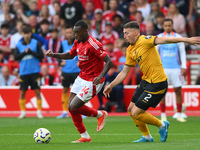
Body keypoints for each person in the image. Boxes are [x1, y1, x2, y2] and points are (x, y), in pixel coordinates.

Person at [103, 21, 200, 143]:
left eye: (127, 33)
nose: (125, 36)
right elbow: (124, 72)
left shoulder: (145, 40)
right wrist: (111, 85)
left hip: (158, 82)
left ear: (136, 33)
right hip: (146, 81)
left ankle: (162, 126)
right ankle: (147, 137)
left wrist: (188, 40)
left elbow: (165, 40)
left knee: (137, 112)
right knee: (130, 109)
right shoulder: (130, 50)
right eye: (124, 33)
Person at [46, 20, 113, 143]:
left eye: (77, 33)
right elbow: (70, 55)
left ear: (85, 31)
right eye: (74, 32)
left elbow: (109, 62)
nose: (75, 35)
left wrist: (100, 76)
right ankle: (85, 137)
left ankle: (100, 114)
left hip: (93, 81)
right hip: (81, 77)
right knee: (71, 108)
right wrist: (54, 55)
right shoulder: (78, 41)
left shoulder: (94, 44)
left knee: (74, 106)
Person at [156, 18, 187, 122]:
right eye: (166, 26)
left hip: (176, 68)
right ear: (163, 26)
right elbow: (156, 53)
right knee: (162, 91)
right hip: (163, 68)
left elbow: (182, 52)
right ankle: (163, 114)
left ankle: (179, 114)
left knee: (178, 90)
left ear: (172, 26)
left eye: (169, 25)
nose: (168, 27)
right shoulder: (159, 37)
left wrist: (184, 66)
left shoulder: (178, 37)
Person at [14, 25, 44, 119]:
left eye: (28, 33)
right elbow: (16, 57)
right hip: (23, 73)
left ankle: (39, 112)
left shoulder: (36, 43)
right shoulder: (18, 45)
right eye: (25, 34)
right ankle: (23, 112)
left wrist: (31, 52)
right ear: (22, 34)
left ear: (31, 33)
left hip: (35, 72)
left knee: (37, 92)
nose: (27, 35)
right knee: (22, 92)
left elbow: (41, 56)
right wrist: (24, 53)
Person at [56, 25, 80, 119]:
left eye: (70, 33)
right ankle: (64, 111)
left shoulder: (78, 43)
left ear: (73, 33)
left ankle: (79, 110)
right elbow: (58, 55)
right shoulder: (63, 44)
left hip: (76, 71)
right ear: (65, 34)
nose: (69, 34)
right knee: (65, 90)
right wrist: (60, 62)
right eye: (67, 33)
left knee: (78, 92)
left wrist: (81, 62)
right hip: (66, 71)